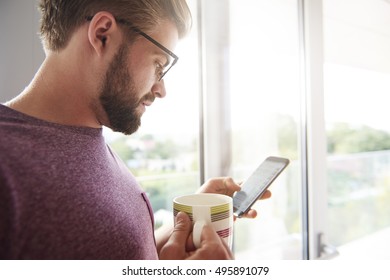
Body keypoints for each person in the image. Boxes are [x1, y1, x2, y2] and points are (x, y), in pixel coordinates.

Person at [0, 0, 270, 260]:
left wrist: (188, 218)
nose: (161, 90)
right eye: (158, 65)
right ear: (103, 34)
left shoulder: (90, 139)